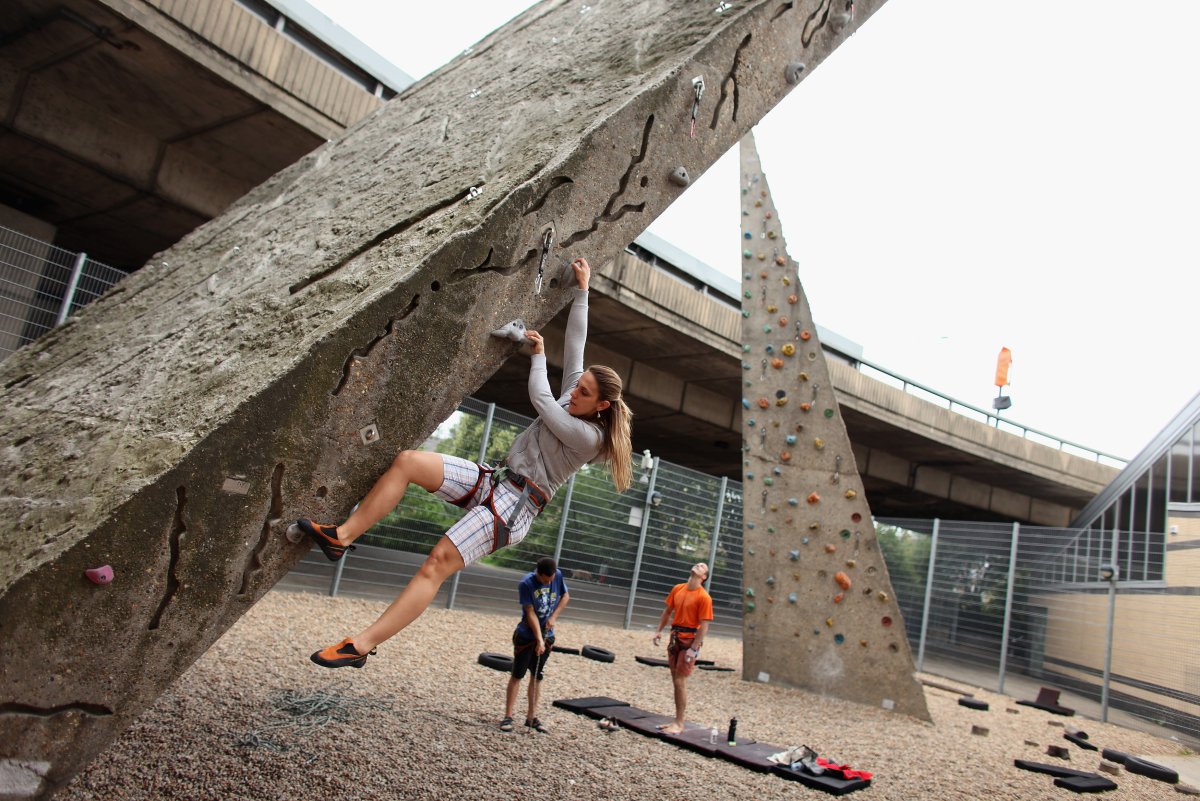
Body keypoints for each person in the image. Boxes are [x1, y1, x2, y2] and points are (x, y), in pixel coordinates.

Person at [295, 257, 633, 668]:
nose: (574, 391)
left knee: (435, 563)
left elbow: (542, 401)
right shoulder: (575, 397)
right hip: (497, 479)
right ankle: (341, 537)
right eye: (577, 385)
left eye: (583, 392)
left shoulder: (589, 436)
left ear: (600, 406)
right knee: (408, 462)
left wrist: (538, 355)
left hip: (516, 507)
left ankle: (360, 646)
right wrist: (583, 288)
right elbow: (577, 343)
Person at [499, 556, 569, 734]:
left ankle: (532, 717)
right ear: (540, 574)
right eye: (548, 579)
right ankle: (508, 716)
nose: (551, 581)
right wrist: (539, 639)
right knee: (518, 674)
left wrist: (553, 618)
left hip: (548, 634)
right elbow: (529, 613)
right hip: (526, 635)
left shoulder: (557, 575)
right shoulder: (526, 584)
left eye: (553, 577)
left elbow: (565, 596)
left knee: (537, 676)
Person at [651, 562, 713, 735]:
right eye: (698, 564)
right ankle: (676, 720)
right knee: (675, 680)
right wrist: (658, 631)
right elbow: (667, 612)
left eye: (702, 566)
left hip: (689, 641)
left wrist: (694, 649)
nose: (698, 565)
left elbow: (704, 626)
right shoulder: (678, 588)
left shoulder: (704, 597)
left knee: (680, 681)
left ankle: (679, 723)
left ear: (704, 577)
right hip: (675, 638)